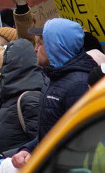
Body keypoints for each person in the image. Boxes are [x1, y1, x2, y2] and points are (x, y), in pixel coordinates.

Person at [12, 18, 98, 168]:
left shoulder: (79, 84)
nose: (35, 49)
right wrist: (28, 149)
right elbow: (50, 133)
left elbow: (81, 143)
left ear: (56, 46)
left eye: (40, 43)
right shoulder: (53, 77)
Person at [0, 39, 43, 172]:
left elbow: (41, 144)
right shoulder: (5, 100)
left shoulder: (29, 99)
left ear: (11, 69)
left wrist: (4, 157)